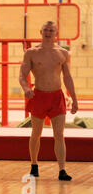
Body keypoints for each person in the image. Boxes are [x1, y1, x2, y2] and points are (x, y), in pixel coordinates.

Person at [19, 21, 78, 181]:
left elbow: (67, 77)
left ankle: (62, 170)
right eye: (45, 29)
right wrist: (26, 89)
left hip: (56, 97)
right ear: (41, 31)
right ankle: (34, 164)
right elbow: (22, 76)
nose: (48, 32)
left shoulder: (63, 54)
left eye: (51, 30)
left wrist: (74, 98)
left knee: (59, 134)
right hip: (38, 96)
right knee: (36, 133)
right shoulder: (31, 52)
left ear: (56, 33)